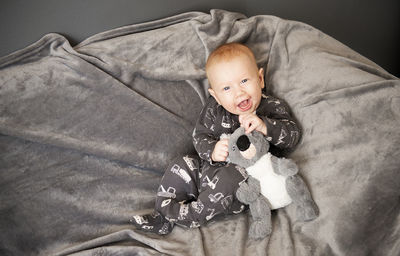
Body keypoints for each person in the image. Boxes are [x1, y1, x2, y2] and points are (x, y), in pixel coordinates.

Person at [130, 43, 301, 235]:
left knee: (231, 177)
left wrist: (264, 126)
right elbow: (200, 136)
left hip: (245, 182)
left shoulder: (271, 107)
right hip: (208, 169)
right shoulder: (214, 110)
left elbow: (292, 135)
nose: (239, 92)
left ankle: (190, 216)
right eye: (227, 88)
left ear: (260, 79)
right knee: (181, 164)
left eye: (244, 81)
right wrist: (212, 150)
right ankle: (162, 215)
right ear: (216, 96)